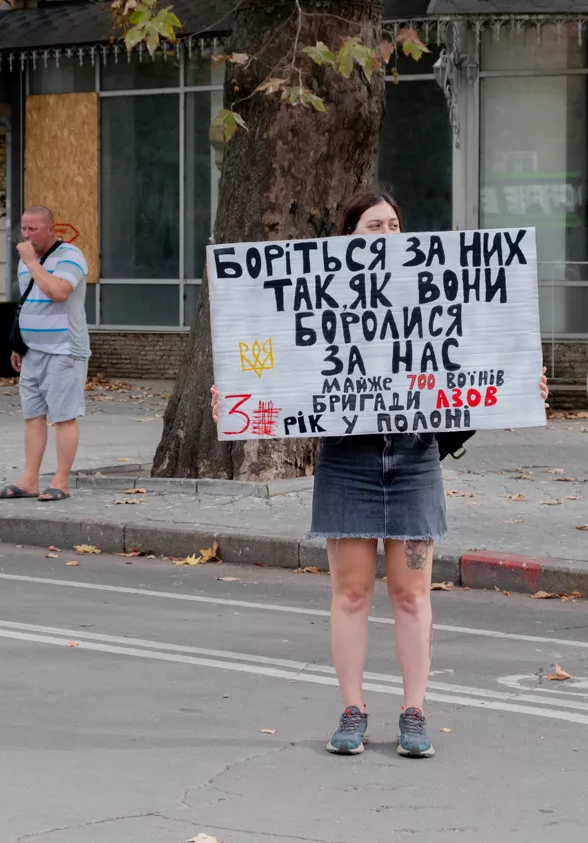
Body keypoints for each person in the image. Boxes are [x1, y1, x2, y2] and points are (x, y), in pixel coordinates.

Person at [211, 189, 550, 759]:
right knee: (350, 593)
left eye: (395, 224)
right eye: (374, 225)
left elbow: (468, 374)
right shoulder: (324, 299)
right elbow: (284, 372)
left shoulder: (426, 290)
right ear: (348, 239)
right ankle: (353, 710)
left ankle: (414, 712)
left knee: (412, 596)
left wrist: (518, 391)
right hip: (349, 463)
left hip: (414, 461)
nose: (387, 234)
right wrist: (239, 397)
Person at [0, 205, 94, 502]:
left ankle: (60, 481)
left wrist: (31, 261)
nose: (27, 235)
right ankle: (29, 480)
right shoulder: (27, 261)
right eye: (23, 229)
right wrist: (19, 344)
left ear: (51, 228)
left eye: (33, 229)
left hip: (64, 350)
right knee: (33, 415)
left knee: (64, 416)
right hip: (33, 351)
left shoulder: (70, 257)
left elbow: (58, 292)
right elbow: (31, 301)